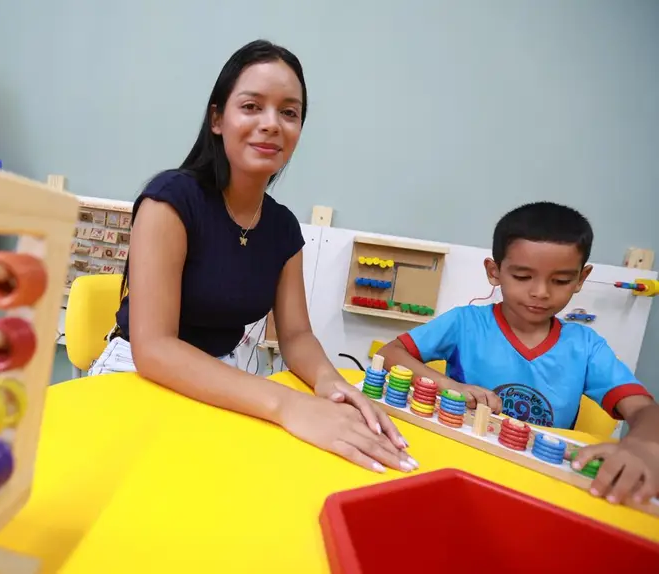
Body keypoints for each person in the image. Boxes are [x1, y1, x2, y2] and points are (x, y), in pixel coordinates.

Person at [86, 39, 417, 474]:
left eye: (289, 112)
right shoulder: (171, 201)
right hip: (135, 374)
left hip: (223, 378)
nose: (272, 124)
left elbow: (297, 336)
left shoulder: (282, 227)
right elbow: (155, 349)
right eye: (251, 106)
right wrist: (289, 404)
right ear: (218, 119)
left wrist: (331, 385)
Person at [379, 201, 659, 504]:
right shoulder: (465, 323)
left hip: (539, 485)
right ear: (494, 271)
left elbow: (645, 410)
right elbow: (390, 353)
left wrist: (646, 446)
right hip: (460, 464)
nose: (541, 291)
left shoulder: (586, 346)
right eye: (523, 277)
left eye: (561, 280)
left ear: (581, 278)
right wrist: (452, 387)